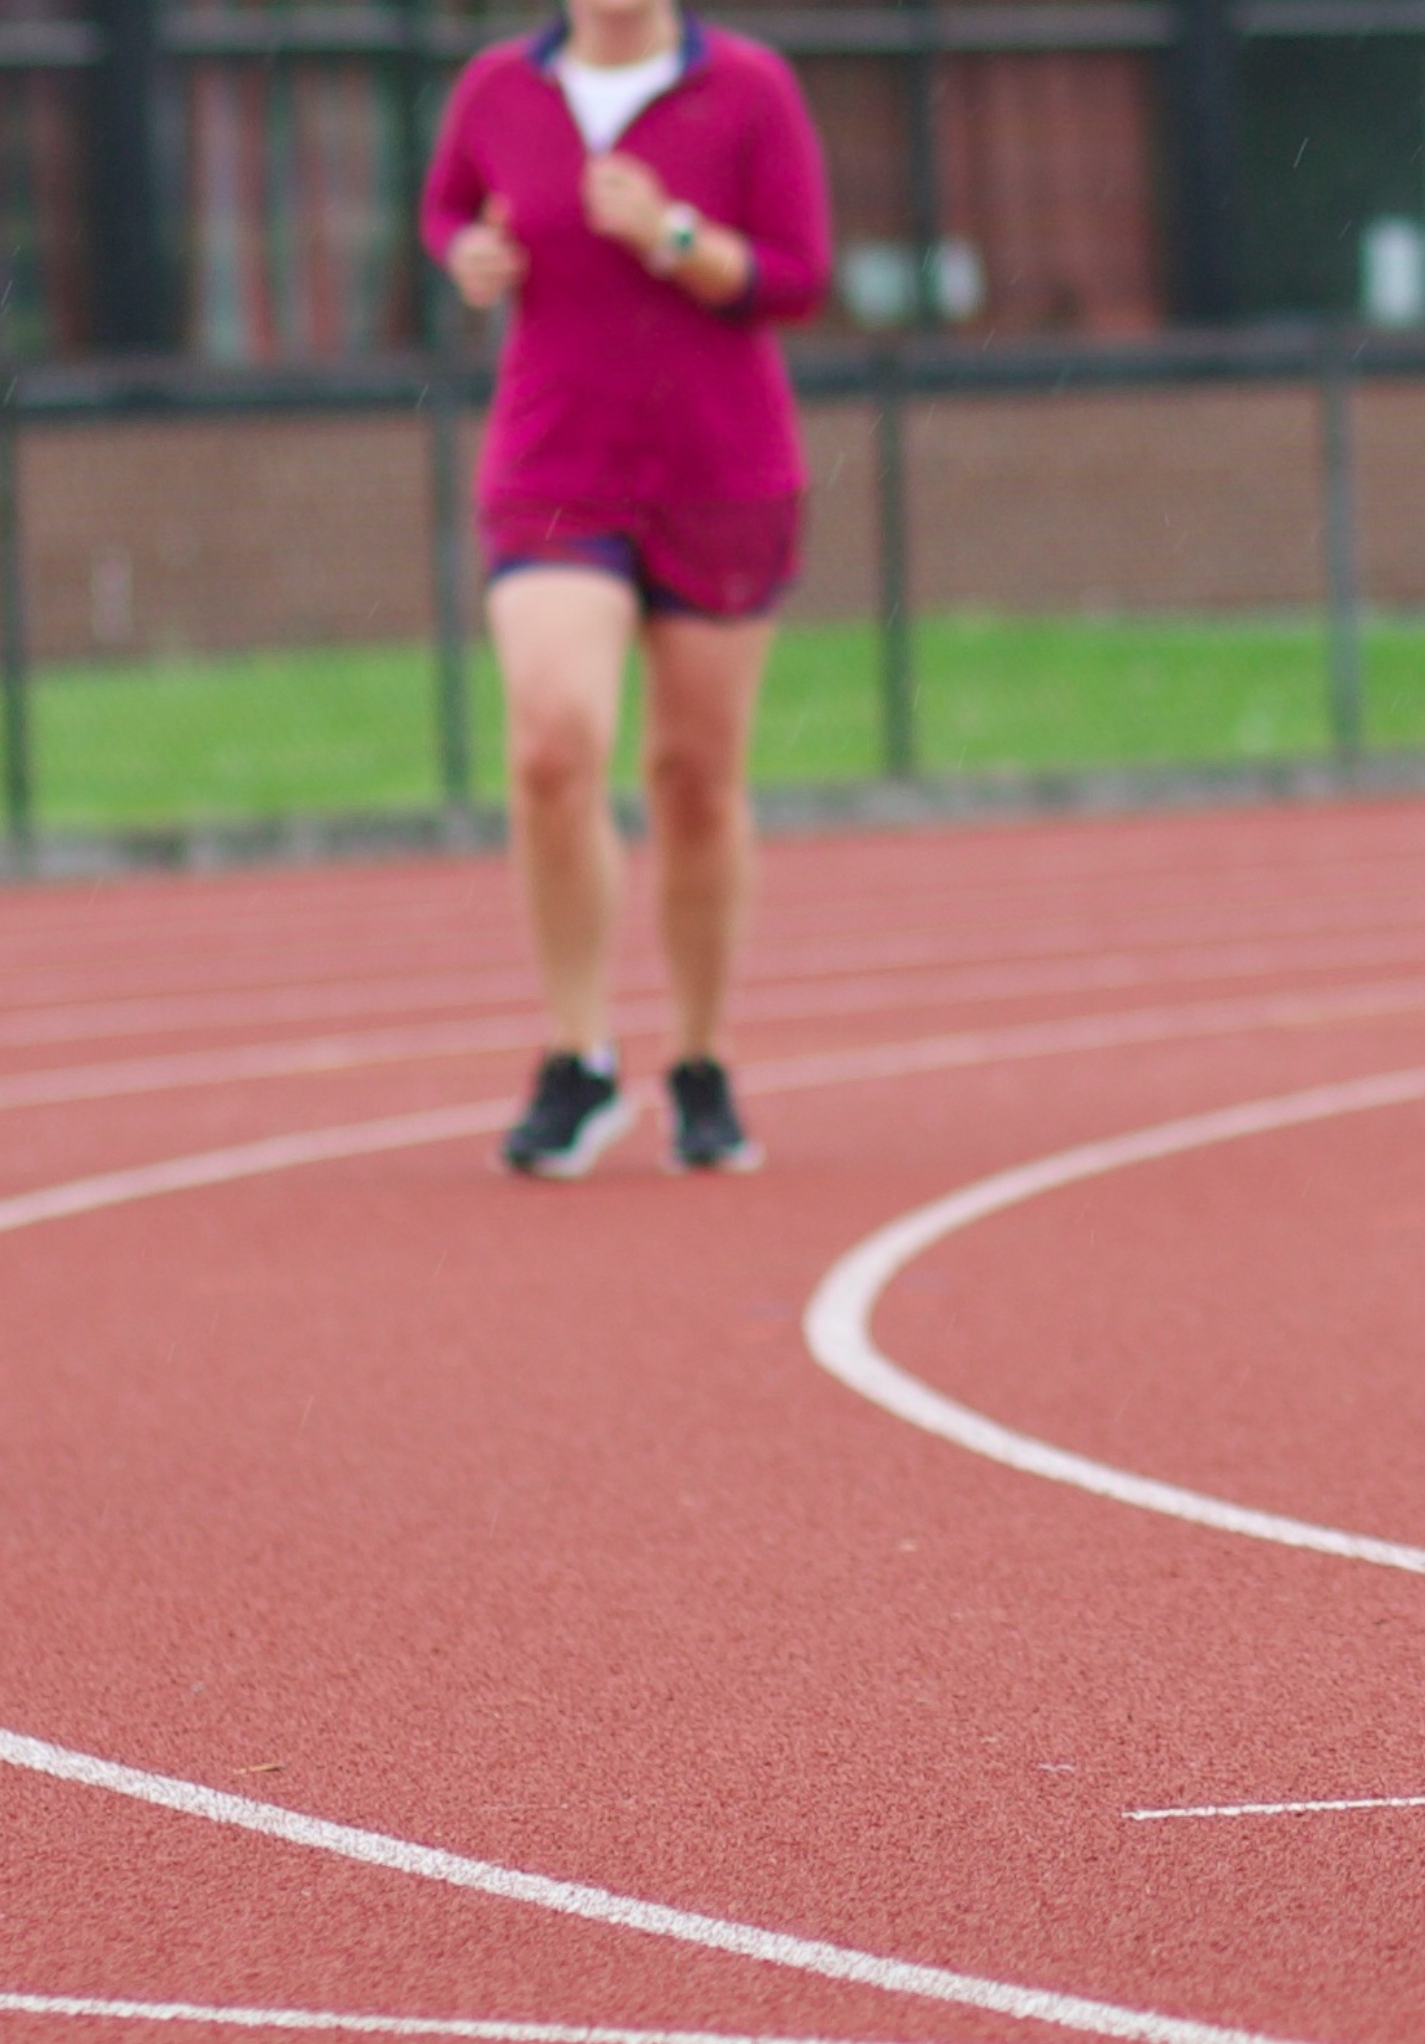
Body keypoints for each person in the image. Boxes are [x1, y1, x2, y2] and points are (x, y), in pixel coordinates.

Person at [420, 0, 832, 1178]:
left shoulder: (750, 89)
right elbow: (448, 205)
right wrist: (465, 253)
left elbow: (796, 277)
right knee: (554, 748)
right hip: (556, 467)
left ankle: (699, 1060)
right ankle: (576, 1054)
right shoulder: (499, 89)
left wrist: (673, 235)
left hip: (718, 470)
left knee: (694, 782)